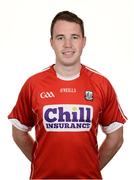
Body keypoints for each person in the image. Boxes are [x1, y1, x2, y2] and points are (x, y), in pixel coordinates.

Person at [8, 11, 127, 179]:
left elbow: (116, 137)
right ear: (51, 42)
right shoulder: (33, 84)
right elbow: (18, 131)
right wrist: (40, 161)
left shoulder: (101, 84)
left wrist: (92, 166)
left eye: (75, 37)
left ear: (84, 41)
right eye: (60, 37)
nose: (68, 44)